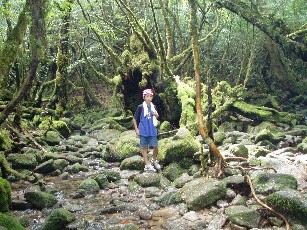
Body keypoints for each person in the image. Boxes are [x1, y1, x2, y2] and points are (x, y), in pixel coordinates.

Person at [133, 89, 161, 172]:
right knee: (145, 147)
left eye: (150, 96)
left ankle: (154, 160)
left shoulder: (153, 106)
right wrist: (136, 129)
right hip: (143, 129)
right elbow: (134, 119)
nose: (149, 98)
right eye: (147, 96)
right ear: (144, 97)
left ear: (152, 97)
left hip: (152, 129)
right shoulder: (140, 107)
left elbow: (156, 117)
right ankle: (147, 164)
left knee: (155, 146)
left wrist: (156, 115)